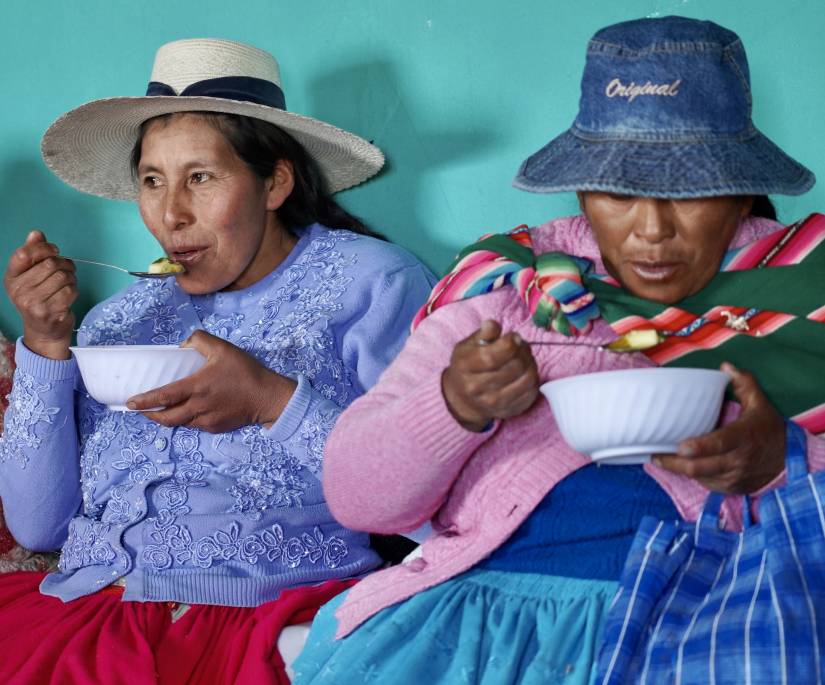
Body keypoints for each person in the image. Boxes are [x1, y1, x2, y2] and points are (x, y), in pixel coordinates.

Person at [292, 16, 825, 685]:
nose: (651, 230)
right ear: (578, 188)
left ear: (743, 187)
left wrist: (784, 460)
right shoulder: (503, 289)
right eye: (618, 191)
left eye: (688, 192)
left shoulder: (804, 287)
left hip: (717, 615)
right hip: (485, 626)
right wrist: (452, 404)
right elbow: (359, 500)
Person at [0, 38, 434, 683]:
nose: (171, 215)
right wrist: (45, 345)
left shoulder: (373, 285)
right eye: (153, 181)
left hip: (280, 618)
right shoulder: (121, 319)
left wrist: (271, 402)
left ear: (275, 181)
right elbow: (38, 528)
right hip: (89, 612)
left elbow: (434, 504)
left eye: (200, 177)